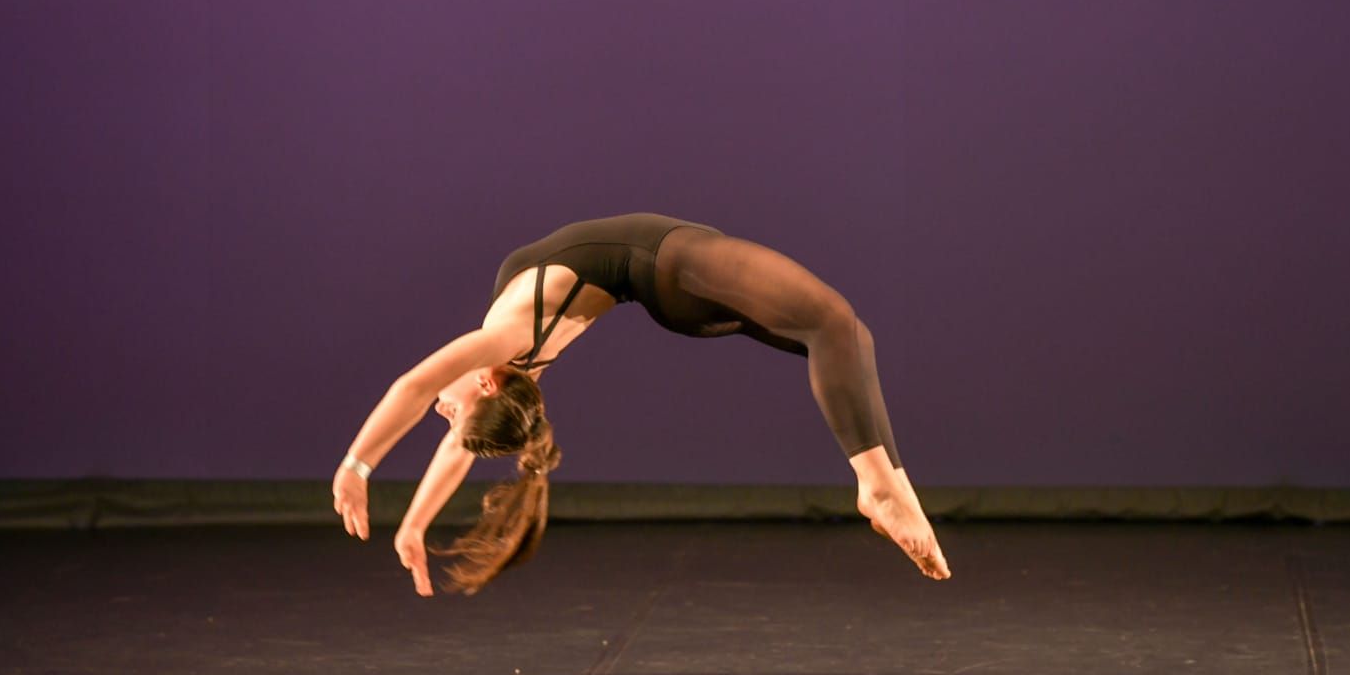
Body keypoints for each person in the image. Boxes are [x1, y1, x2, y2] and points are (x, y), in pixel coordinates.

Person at [332, 212, 951, 596]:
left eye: (449, 417)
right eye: (455, 413)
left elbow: (444, 434)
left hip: (677, 290)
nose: (442, 410)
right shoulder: (505, 346)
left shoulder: (512, 363)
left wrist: (411, 523)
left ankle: (892, 484)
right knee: (832, 322)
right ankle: (878, 486)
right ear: (488, 388)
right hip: (670, 265)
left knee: (846, 337)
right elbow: (413, 389)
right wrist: (358, 468)